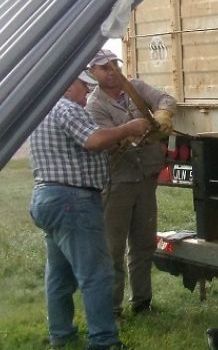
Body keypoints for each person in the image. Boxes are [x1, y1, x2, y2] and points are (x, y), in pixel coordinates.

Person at [29, 71, 150, 349]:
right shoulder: (67, 108)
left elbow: (80, 148)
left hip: (47, 197)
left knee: (59, 274)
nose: (87, 94)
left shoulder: (41, 110)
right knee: (97, 274)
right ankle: (104, 341)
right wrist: (128, 128)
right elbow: (92, 140)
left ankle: (61, 334)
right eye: (84, 87)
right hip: (74, 201)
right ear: (68, 84)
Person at [86, 49, 176, 317]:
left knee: (143, 244)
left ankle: (142, 303)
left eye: (115, 64)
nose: (112, 70)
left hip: (145, 178)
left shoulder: (135, 87)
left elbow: (165, 98)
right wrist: (130, 130)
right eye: (104, 67)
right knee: (112, 250)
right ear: (93, 72)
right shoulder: (94, 105)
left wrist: (162, 114)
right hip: (117, 183)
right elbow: (104, 143)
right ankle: (111, 310)